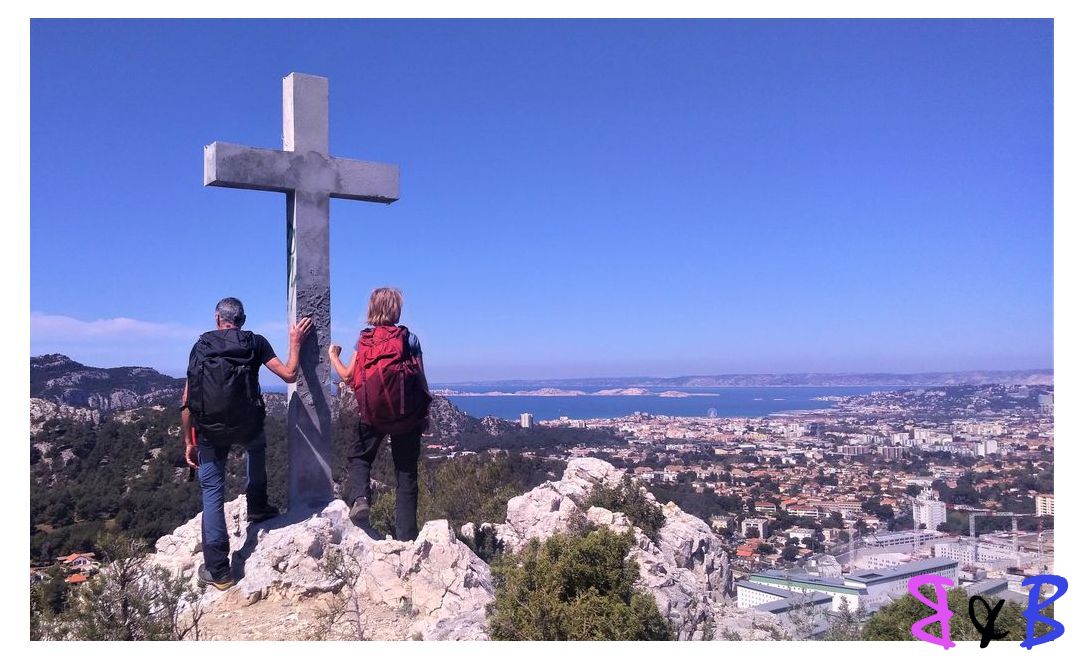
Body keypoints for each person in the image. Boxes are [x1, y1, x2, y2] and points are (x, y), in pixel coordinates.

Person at [181, 297, 312, 590]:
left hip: (209, 431)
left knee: (212, 492)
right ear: (243, 320)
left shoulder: (201, 346)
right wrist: (295, 341)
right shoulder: (256, 343)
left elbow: (187, 400)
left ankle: (219, 572)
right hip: (247, 424)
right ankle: (257, 505)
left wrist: (188, 440)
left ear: (217, 318)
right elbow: (289, 373)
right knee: (256, 446)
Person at [328, 287, 431, 541]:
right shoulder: (410, 339)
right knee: (406, 475)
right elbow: (420, 380)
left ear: (372, 309)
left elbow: (348, 377)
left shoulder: (364, 340)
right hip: (406, 417)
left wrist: (333, 356)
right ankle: (406, 538)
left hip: (373, 415)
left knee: (359, 456)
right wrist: (425, 411)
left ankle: (361, 498)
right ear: (396, 309)